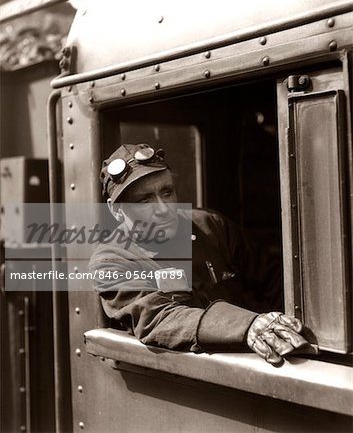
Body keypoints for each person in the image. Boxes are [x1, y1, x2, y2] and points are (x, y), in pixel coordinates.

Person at [89, 143, 311, 365]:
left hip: (266, 360)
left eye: (167, 192)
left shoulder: (210, 226)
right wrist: (248, 325)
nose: (164, 209)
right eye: (144, 200)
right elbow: (159, 317)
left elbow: (273, 280)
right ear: (116, 210)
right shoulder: (110, 262)